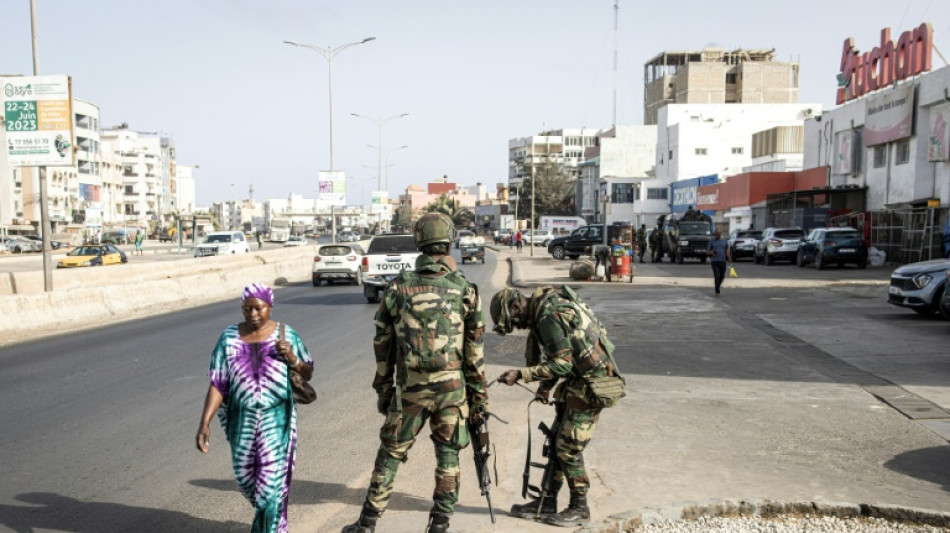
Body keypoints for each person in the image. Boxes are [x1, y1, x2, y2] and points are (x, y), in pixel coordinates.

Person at [342, 213, 489, 533]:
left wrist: (384, 390)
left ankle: (366, 523)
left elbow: (382, 345)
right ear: (449, 241)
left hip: (409, 389)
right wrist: (479, 398)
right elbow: (474, 353)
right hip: (452, 391)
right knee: (449, 457)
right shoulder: (466, 290)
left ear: (419, 242)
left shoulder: (397, 288)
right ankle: (440, 524)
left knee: (390, 454)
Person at [491, 286, 621, 527]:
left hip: (593, 383)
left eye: (514, 322)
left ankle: (579, 508)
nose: (518, 327)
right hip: (579, 380)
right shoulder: (547, 306)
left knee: (568, 447)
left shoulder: (547, 316)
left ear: (516, 307)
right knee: (556, 441)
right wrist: (545, 387)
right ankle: (547, 501)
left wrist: (521, 374)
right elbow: (562, 357)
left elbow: (562, 363)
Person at [196, 283, 314, 533]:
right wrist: (204, 423)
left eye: (258, 308)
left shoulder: (286, 334)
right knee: (246, 480)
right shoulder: (228, 338)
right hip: (241, 423)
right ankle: (275, 523)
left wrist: (292, 358)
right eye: (247, 308)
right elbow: (218, 383)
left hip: (277, 422)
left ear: (269, 306)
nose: (253, 314)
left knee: (270, 487)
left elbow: (308, 372)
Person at [707, 230, 731, 296]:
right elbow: (708, 251)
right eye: (715, 235)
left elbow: (727, 251)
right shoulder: (712, 241)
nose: (716, 236)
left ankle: (717, 285)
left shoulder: (725, 241)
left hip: (722, 261)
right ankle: (717, 291)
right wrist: (711, 252)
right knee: (717, 275)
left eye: (717, 235)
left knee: (722, 276)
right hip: (714, 261)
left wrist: (729, 258)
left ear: (720, 234)